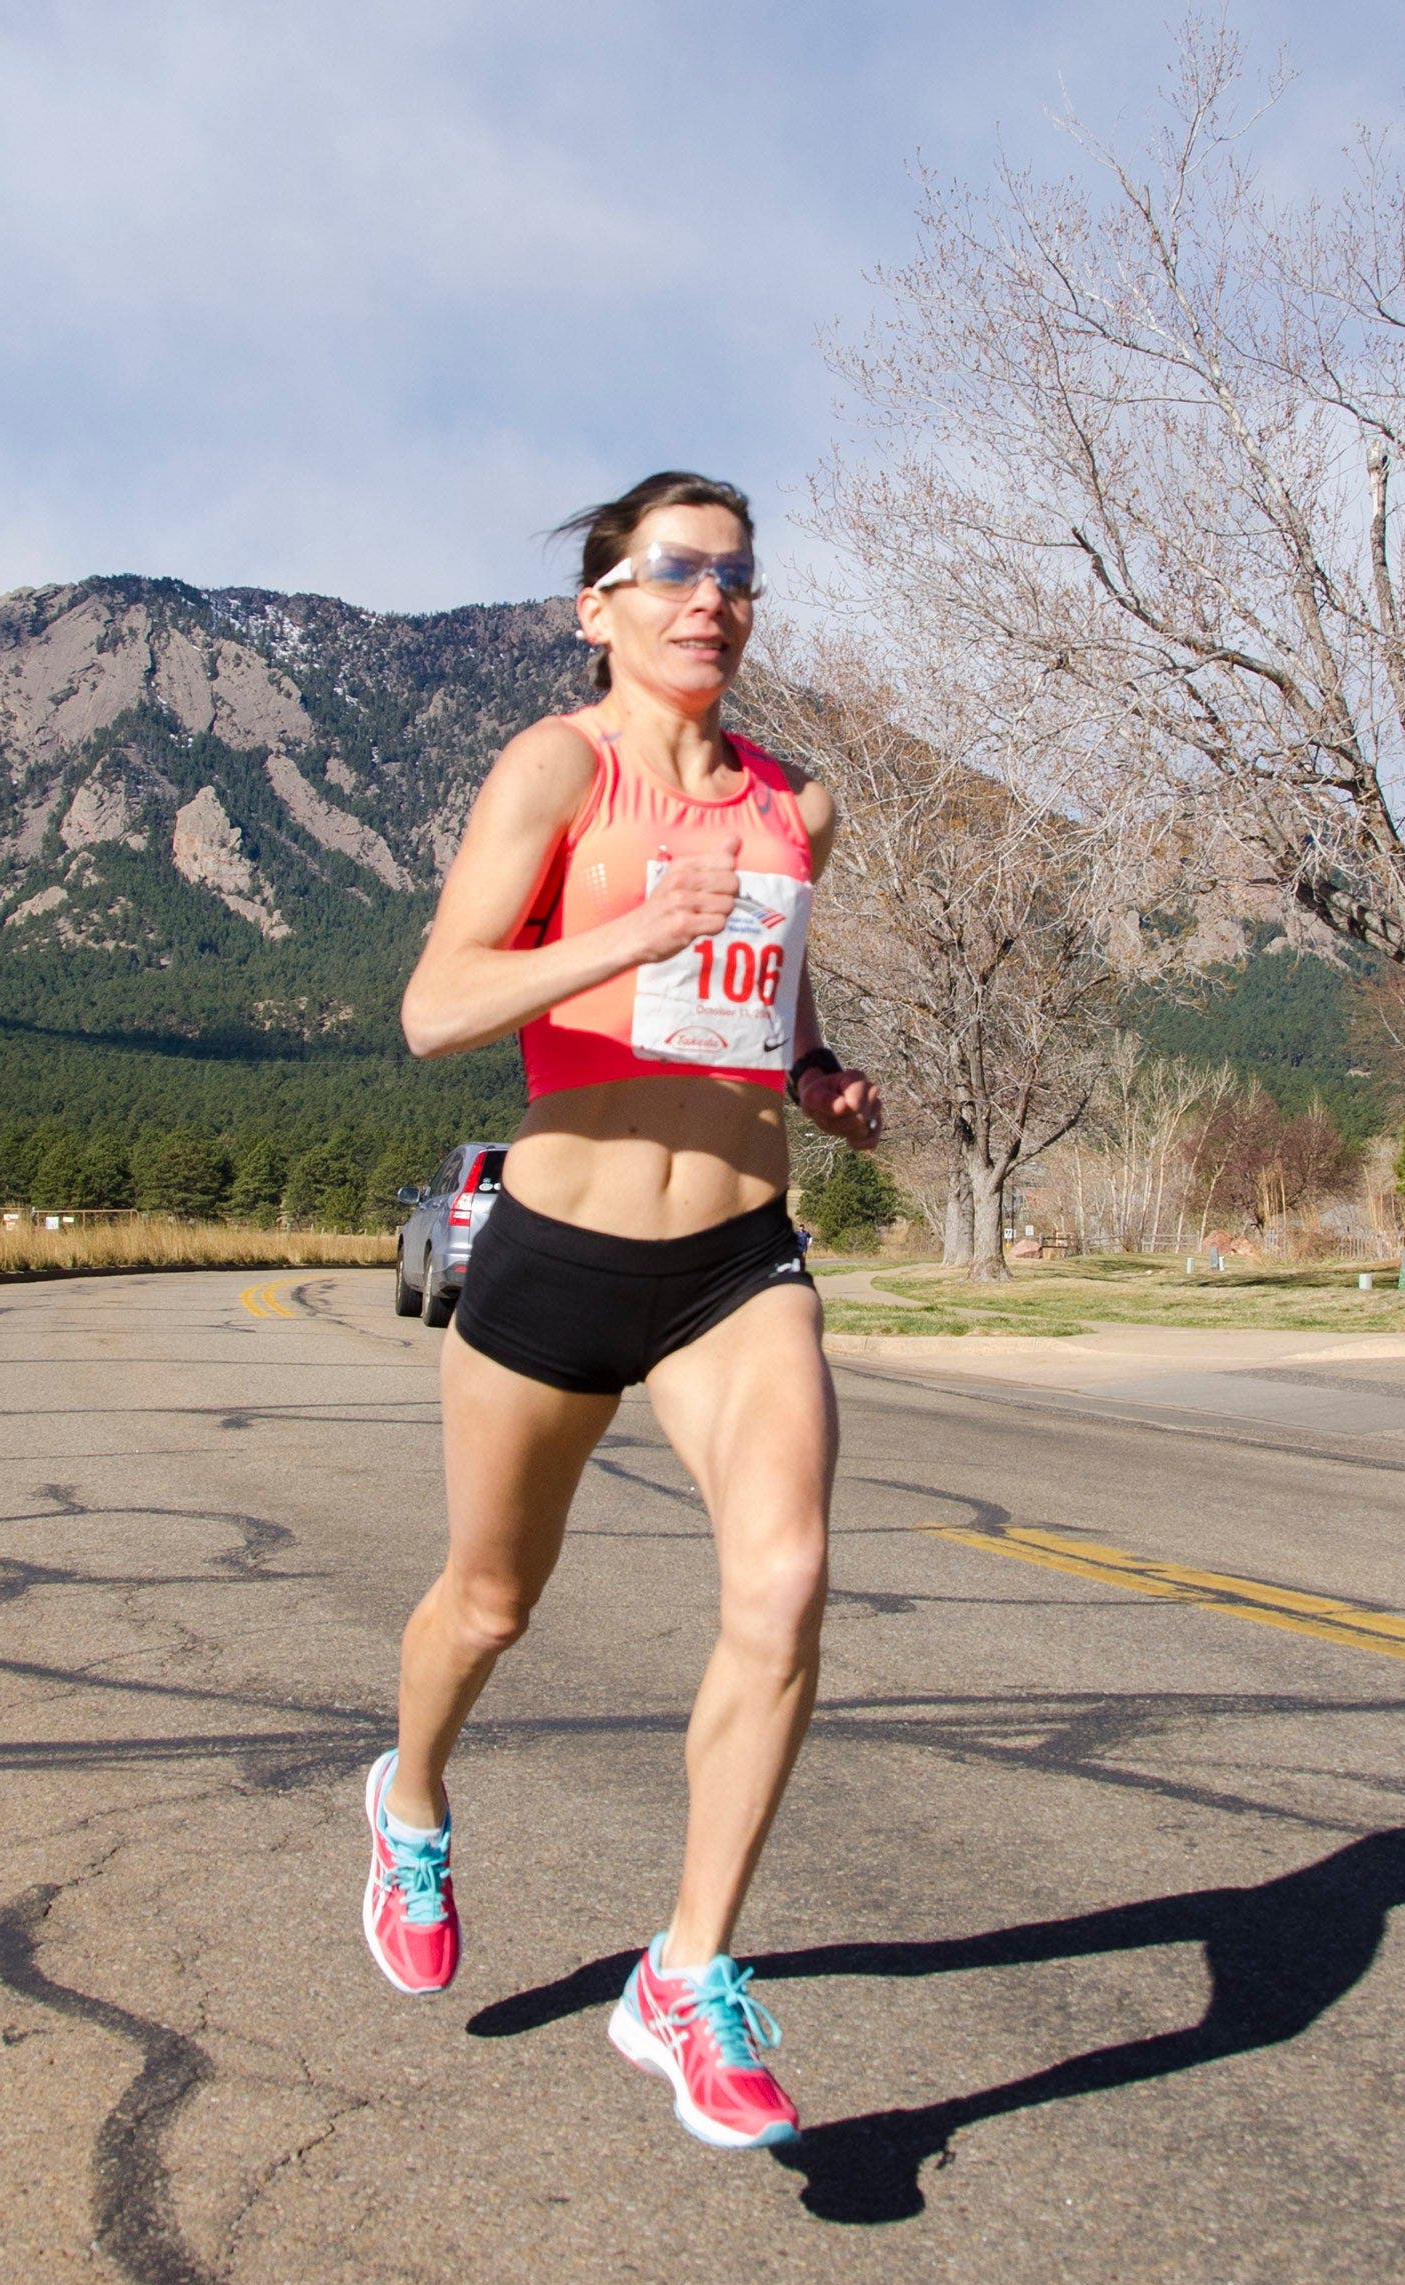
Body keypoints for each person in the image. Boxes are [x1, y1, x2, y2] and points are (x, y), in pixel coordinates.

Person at [360, 470, 882, 2152]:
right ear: (603, 608)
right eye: (672, 571)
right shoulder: (555, 770)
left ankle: (688, 1968)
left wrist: (818, 1078)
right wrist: (625, 931)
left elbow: (767, 1011)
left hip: (736, 1259)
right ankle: (413, 1800)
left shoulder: (796, 803)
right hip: (560, 1255)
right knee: (492, 1605)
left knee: (788, 1582)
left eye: (735, 574)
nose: (708, 598)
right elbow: (436, 1008)